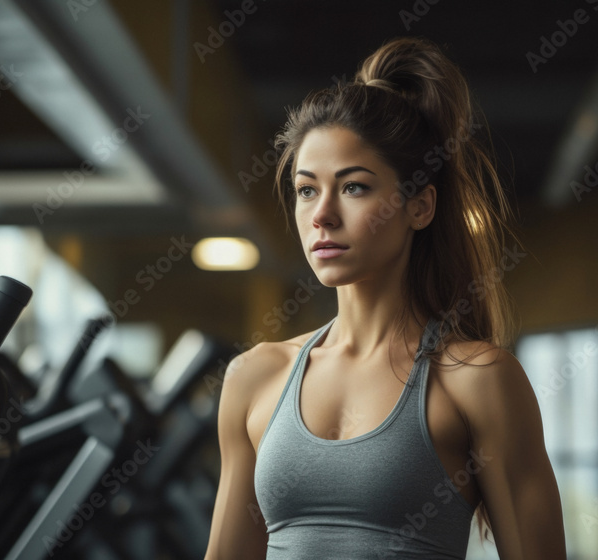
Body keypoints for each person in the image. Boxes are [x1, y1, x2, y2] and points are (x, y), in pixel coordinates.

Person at [204, 37, 566, 560]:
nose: (322, 214)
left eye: (353, 187)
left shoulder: (477, 380)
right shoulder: (254, 377)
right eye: (307, 189)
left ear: (419, 206)